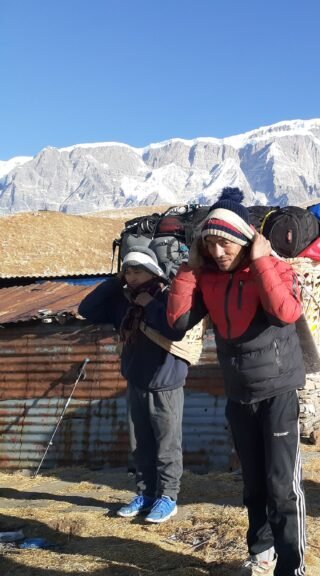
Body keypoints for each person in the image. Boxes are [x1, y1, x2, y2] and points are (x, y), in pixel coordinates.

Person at [167, 187, 306, 576]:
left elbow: (285, 313)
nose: (217, 252)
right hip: (239, 394)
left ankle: (292, 566)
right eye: (209, 244)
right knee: (253, 486)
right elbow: (177, 324)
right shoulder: (207, 276)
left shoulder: (272, 268)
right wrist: (187, 269)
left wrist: (261, 262)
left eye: (224, 243)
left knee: (282, 487)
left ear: (245, 239)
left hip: (277, 393)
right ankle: (261, 554)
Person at [78, 246, 187, 524]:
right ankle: (146, 494)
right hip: (136, 380)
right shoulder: (123, 301)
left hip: (165, 381)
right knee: (140, 446)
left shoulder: (165, 296)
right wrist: (116, 281)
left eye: (138, 270)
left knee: (166, 446)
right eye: (128, 271)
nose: (132, 276)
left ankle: (168, 498)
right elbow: (86, 309)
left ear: (152, 271)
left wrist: (148, 304)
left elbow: (174, 327)